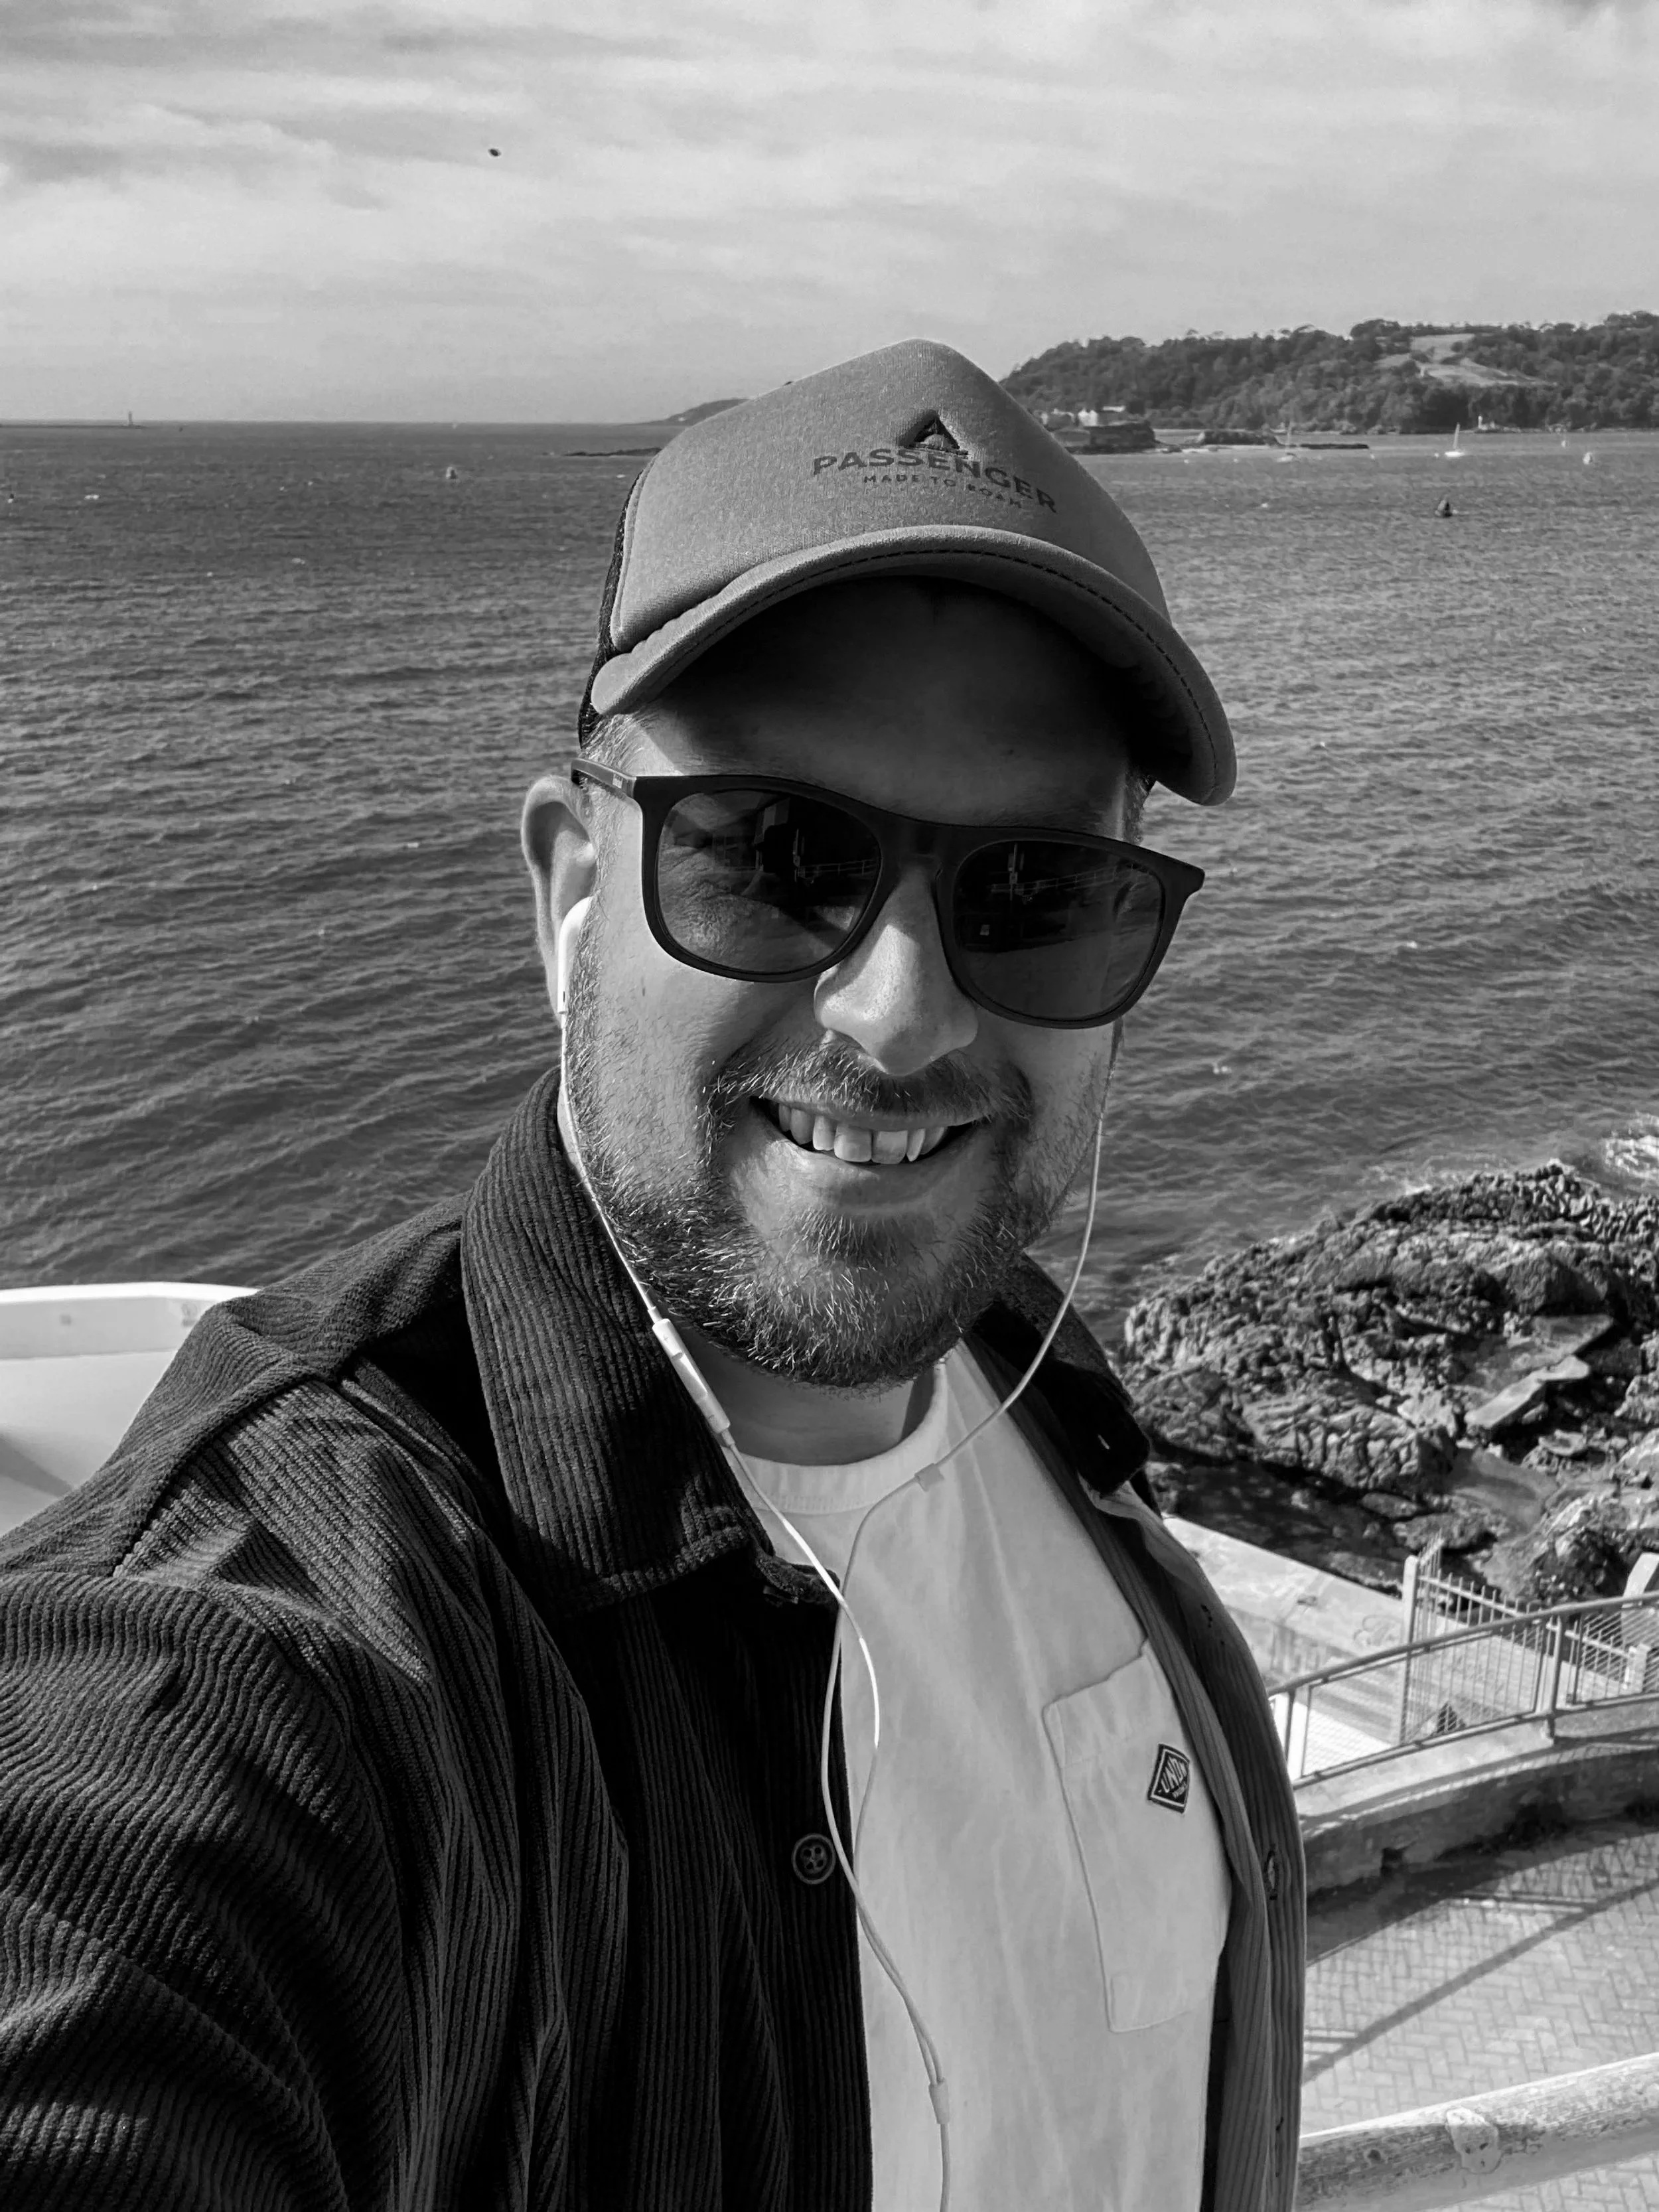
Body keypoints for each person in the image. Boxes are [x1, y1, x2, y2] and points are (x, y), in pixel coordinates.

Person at [0, 340, 1302, 2211]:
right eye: (775, 857)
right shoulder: (280, 1660)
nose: (902, 1008)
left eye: (1027, 892)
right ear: (564, 894)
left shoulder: (1045, 1391)